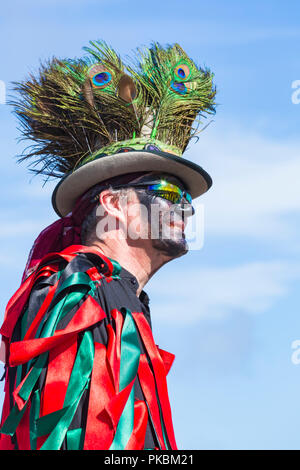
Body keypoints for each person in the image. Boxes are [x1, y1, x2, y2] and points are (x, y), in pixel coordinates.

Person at [0, 40, 216, 450]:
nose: (185, 209)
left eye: (187, 199)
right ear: (113, 204)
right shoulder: (75, 289)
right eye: (168, 191)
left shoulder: (118, 292)